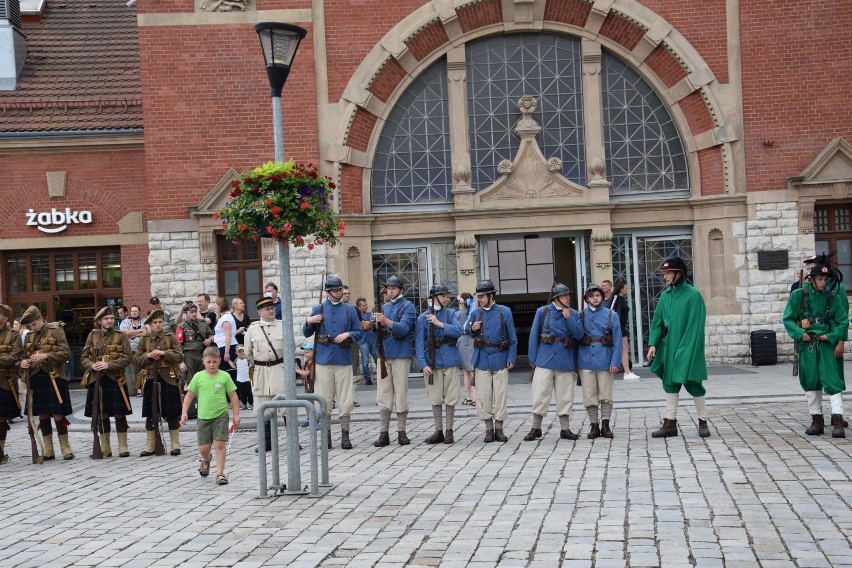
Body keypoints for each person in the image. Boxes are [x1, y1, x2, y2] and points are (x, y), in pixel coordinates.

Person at [645, 257, 710, 438]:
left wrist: (686, 350)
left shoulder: (693, 295)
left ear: (678, 274)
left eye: (668, 273)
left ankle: (703, 420)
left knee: (693, 382)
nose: (665, 277)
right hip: (669, 345)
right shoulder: (665, 296)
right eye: (664, 273)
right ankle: (670, 423)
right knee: (670, 383)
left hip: (688, 346)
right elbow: (657, 322)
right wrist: (653, 344)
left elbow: (695, 326)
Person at [783, 264, 848, 437]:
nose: (823, 282)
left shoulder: (832, 296)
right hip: (808, 343)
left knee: (832, 380)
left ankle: (838, 421)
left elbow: (842, 321)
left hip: (826, 343)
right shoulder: (799, 295)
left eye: (825, 279)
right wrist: (799, 333)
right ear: (811, 279)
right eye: (819, 279)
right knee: (810, 380)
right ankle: (816, 420)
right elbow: (788, 318)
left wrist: (833, 337)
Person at [303, 276, 363, 449]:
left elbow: (359, 331)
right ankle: (326, 435)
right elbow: (306, 332)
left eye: (340, 290)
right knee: (324, 399)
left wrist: (349, 334)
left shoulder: (350, 309)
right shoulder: (318, 308)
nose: (339, 293)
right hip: (324, 358)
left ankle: (345, 435)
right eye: (336, 290)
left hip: (343, 358)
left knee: (345, 399)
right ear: (328, 292)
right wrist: (309, 321)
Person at [523, 283, 584, 442]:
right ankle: (536, 428)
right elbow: (534, 336)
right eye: (565, 295)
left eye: (568, 295)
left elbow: (578, 335)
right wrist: (533, 360)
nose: (568, 298)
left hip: (564, 361)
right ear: (557, 298)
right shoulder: (542, 312)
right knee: (540, 395)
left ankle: (565, 429)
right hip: (544, 360)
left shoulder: (574, 314)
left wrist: (569, 318)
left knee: (565, 397)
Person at [465, 279, 518, 443]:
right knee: (483, 396)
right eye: (478, 296)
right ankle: (488, 429)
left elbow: (513, 338)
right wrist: (472, 328)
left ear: (491, 296)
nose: (479, 299)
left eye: (482, 296)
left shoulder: (505, 312)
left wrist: (511, 358)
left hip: (500, 357)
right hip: (482, 359)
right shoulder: (475, 313)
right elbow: (465, 329)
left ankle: (499, 429)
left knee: (501, 395)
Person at [19, 306, 74, 460]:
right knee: (42, 414)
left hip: (54, 377)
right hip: (36, 378)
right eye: (29, 326)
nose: (32, 327)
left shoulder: (56, 330)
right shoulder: (29, 336)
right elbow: (24, 355)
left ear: (40, 317)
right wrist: (24, 362)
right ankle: (48, 449)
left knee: (57, 413)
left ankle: (65, 447)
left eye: (33, 324)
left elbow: (65, 353)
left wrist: (46, 356)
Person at [181, 346, 240, 486]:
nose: (212, 364)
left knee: (219, 443)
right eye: (209, 362)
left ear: (219, 361)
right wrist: (184, 412)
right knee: (204, 448)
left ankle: (220, 473)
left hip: (221, 414)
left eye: (214, 361)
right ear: (203, 361)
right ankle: (206, 460)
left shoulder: (224, 376)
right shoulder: (198, 377)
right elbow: (189, 395)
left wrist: (236, 414)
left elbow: (233, 395)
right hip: (203, 416)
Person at [81, 306, 133, 458]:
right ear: (99, 321)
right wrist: (91, 365)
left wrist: (108, 365)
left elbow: (127, 357)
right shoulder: (92, 336)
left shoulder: (121, 335)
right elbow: (84, 357)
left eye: (111, 318)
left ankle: (123, 445)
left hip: (116, 379)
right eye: (106, 319)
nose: (110, 321)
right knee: (101, 414)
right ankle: (105, 447)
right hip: (96, 379)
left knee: (119, 413)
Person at [371, 274, 416, 447]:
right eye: (388, 288)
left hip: (400, 354)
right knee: (383, 394)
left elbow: (404, 328)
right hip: (384, 353)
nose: (390, 291)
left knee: (400, 393)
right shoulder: (384, 306)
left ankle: (401, 432)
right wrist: (376, 324)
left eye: (393, 288)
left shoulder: (408, 306)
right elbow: (377, 331)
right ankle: (384, 432)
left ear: (400, 290)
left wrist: (385, 321)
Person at [415, 284, 463, 444]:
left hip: (450, 359)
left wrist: (440, 324)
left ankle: (449, 431)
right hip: (432, 362)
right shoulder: (422, 318)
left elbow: (459, 331)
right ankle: (438, 430)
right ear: (434, 297)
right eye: (443, 296)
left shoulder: (450, 314)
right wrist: (422, 364)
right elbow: (419, 343)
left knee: (451, 398)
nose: (447, 299)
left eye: (447, 296)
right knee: (435, 398)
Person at [133, 309, 185, 456]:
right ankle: (150, 444)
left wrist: (164, 354)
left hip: (168, 378)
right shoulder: (144, 339)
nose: (158, 325)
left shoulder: (170, 337)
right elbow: (136, 360)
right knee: (150, 414)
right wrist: (149, 355)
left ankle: (175, 444)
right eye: (155, 322)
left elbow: (179, 356)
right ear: (150, 323)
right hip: (150, 378)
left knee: (172, 413)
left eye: (160, 322)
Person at [578, 284, 623, 439]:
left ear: (602, 297)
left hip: (605, 358)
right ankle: (594, 425)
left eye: (597, 295)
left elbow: (617, 341)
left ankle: (605, 424)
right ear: (587, 298)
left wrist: (615, 362)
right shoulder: (581, 315)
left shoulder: (612, 315)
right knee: (589, 394)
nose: (595, 298)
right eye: (591, 296)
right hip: (585, 359)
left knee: (606, 394)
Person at [245, 296, 284, 452]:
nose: (271, 311)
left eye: (272, 308)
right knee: (262, 405)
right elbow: (248, 352)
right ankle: (265, 442)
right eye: (267, 309)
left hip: (278, 368)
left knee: (286, 405)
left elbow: (290, 347)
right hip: (261, 371)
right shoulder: (253, 328)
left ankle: (293, 440)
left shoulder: (282, 325)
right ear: (260, 312)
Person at [0, 304, 23, 464]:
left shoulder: (14, 335)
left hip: (4, 382)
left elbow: (14, 356)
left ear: (5, 318)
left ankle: (0, 452)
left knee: (1, 418)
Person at [177, 303, 214, 393]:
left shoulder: (202, 323)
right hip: (189, 355)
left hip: (202, 354)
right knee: (190, 380)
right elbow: (178, 345)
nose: (194, 314)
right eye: (191, 312)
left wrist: (209, 340)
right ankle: (192, 404)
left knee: (205, 378)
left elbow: (211, 335)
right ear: (186, 313)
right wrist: (181, 362)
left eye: (195, 312)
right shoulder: (182, 326)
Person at [607, 281, 639, 381]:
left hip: (622, 326)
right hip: (618, 327)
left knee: (625, 348)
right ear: (621, 289)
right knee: (624, 349)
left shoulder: (622, 299)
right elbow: (610, 310)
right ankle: (627, 372)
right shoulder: (616, 297)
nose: (627, 289)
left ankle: (627, 371)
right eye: (626, 287)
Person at [456, 292, 476, 406]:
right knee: (473, 371)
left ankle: (468, 398)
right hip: (473, 340)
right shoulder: (475, 313)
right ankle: (475, 398)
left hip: (462, 340)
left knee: (466, 372)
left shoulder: (458, 314)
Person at [121, 305, 146, 396]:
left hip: (144, 349)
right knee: (136, 370)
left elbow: (148, 332)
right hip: (132, 349)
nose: (134, 312)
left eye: (136, 311)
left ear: (139, 312)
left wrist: (134, 334)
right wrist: (141, 331)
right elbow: (126, 333)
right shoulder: (126, 321)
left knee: (145, 369)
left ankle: (144, 388)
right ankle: (139, 389)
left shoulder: (144, 321)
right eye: (132, 311)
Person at [355, 297, 378, 385]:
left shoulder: (369, 314)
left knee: (377, 359)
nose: (366, 307)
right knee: (365, 362)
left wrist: (368, 324)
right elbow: (363, 327)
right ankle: (368, 378)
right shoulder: (357, 317)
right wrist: (369, 323)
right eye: (364, 305)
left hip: (373, 340)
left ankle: (380, 376)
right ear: (359, 307)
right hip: (363, 341)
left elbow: (372, 324)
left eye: (366, 305)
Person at [213, 297, 238, 373]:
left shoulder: (226, 318)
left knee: (228, 372)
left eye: (216, 305)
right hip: (224, 346)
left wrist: (226, 353)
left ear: (220, 306)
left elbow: (228, 335)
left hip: (227, 347)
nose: (214, 307)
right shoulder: (224, 317)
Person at [296, 343, 316, 427]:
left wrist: (295, 369)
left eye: (307, 352)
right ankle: (308, 418)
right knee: (307, 404)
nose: (305, 354)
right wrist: (297, 367)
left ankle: (315, 420)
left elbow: (305, 374)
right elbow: (303, 372)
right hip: (307, 387)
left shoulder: (313, 363)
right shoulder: (307, 362)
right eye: (304, 352)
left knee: (314, 405)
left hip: (313, 387)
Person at [234, 345, 253, 410]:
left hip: (247, 379)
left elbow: (251, 365)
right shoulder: (236, 360)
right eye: (239, 352)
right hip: (239, 379)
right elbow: (234, 366)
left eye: (243, 351)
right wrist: (228, 361)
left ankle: (251, 404)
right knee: (242, 393)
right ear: (236, 353)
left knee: (248, 392)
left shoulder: (247, 359)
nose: (242, 353)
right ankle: (244, 404)